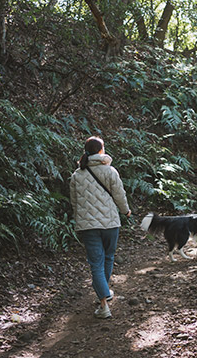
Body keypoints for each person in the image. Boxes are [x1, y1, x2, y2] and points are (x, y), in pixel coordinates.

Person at [69, 136, 131, 319]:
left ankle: (103, 302)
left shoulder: (76, 175)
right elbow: (119, 194)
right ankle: (104, 294)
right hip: (110, 223)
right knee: (108, 257)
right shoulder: (110, 171)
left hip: (87, 225)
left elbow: (74, 202)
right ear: (101, 151)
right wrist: (126, 211)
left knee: (95, 262)